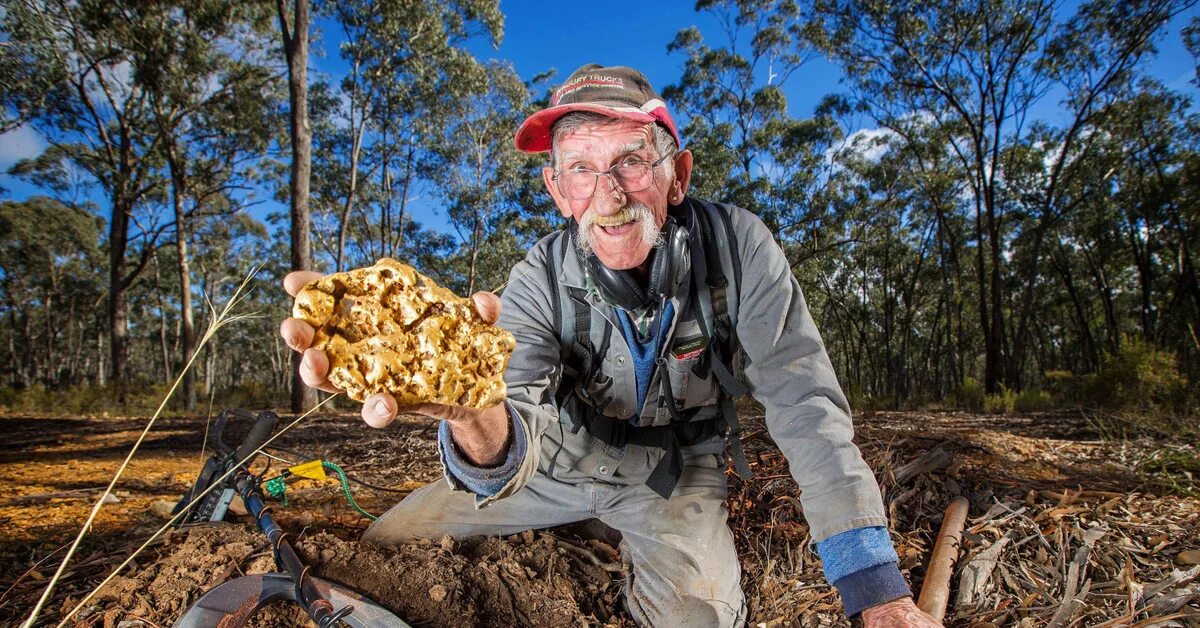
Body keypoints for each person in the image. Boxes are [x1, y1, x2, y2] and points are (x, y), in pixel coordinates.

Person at [281, 63, 940, 627]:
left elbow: (806, 405)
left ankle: (633, 536)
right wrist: (470, 411)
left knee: (699, 616)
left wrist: (876, 589)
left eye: (631, 160)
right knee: (385, 548)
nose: (608, 194)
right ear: (558, 191)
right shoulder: (536, 277)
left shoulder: (739, 249)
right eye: (580, 169)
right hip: (555, 463)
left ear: (676, 175)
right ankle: (580, 522)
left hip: (674, 475)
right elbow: (517, 408)